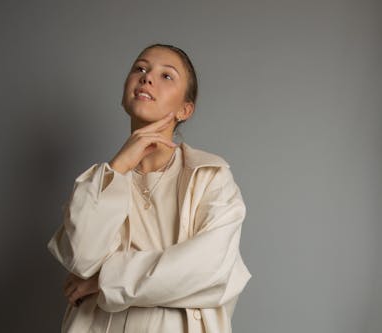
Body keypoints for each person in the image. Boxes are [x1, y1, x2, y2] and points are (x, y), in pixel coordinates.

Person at [47, 43, 252, 333]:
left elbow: (208, 267)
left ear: (185, 109)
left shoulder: (210, 177)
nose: (146, 77)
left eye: (166, 75)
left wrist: (102, 281)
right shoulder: (99, 181)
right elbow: (80, 258)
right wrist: (118, 166)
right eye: (140, 69)